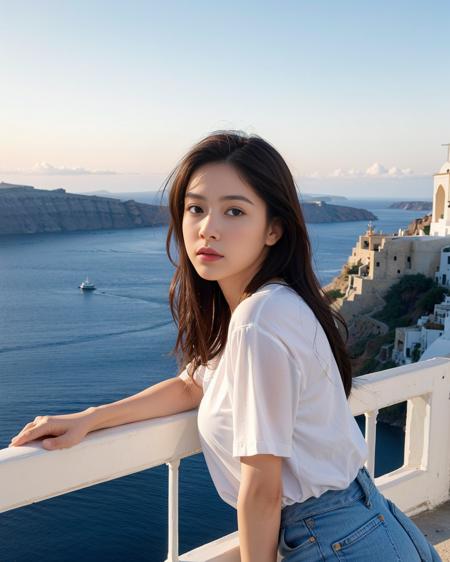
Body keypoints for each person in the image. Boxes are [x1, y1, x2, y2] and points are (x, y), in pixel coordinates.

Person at [8, 131, 442, 562]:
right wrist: (91, 418)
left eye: (234, 211)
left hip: (328, 539)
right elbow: (194, 385)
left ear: (274, 229)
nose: (208, 229)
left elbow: (262, 490)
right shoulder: (271, 304)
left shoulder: (260, 319)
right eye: (195, 208)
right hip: (365, 525)